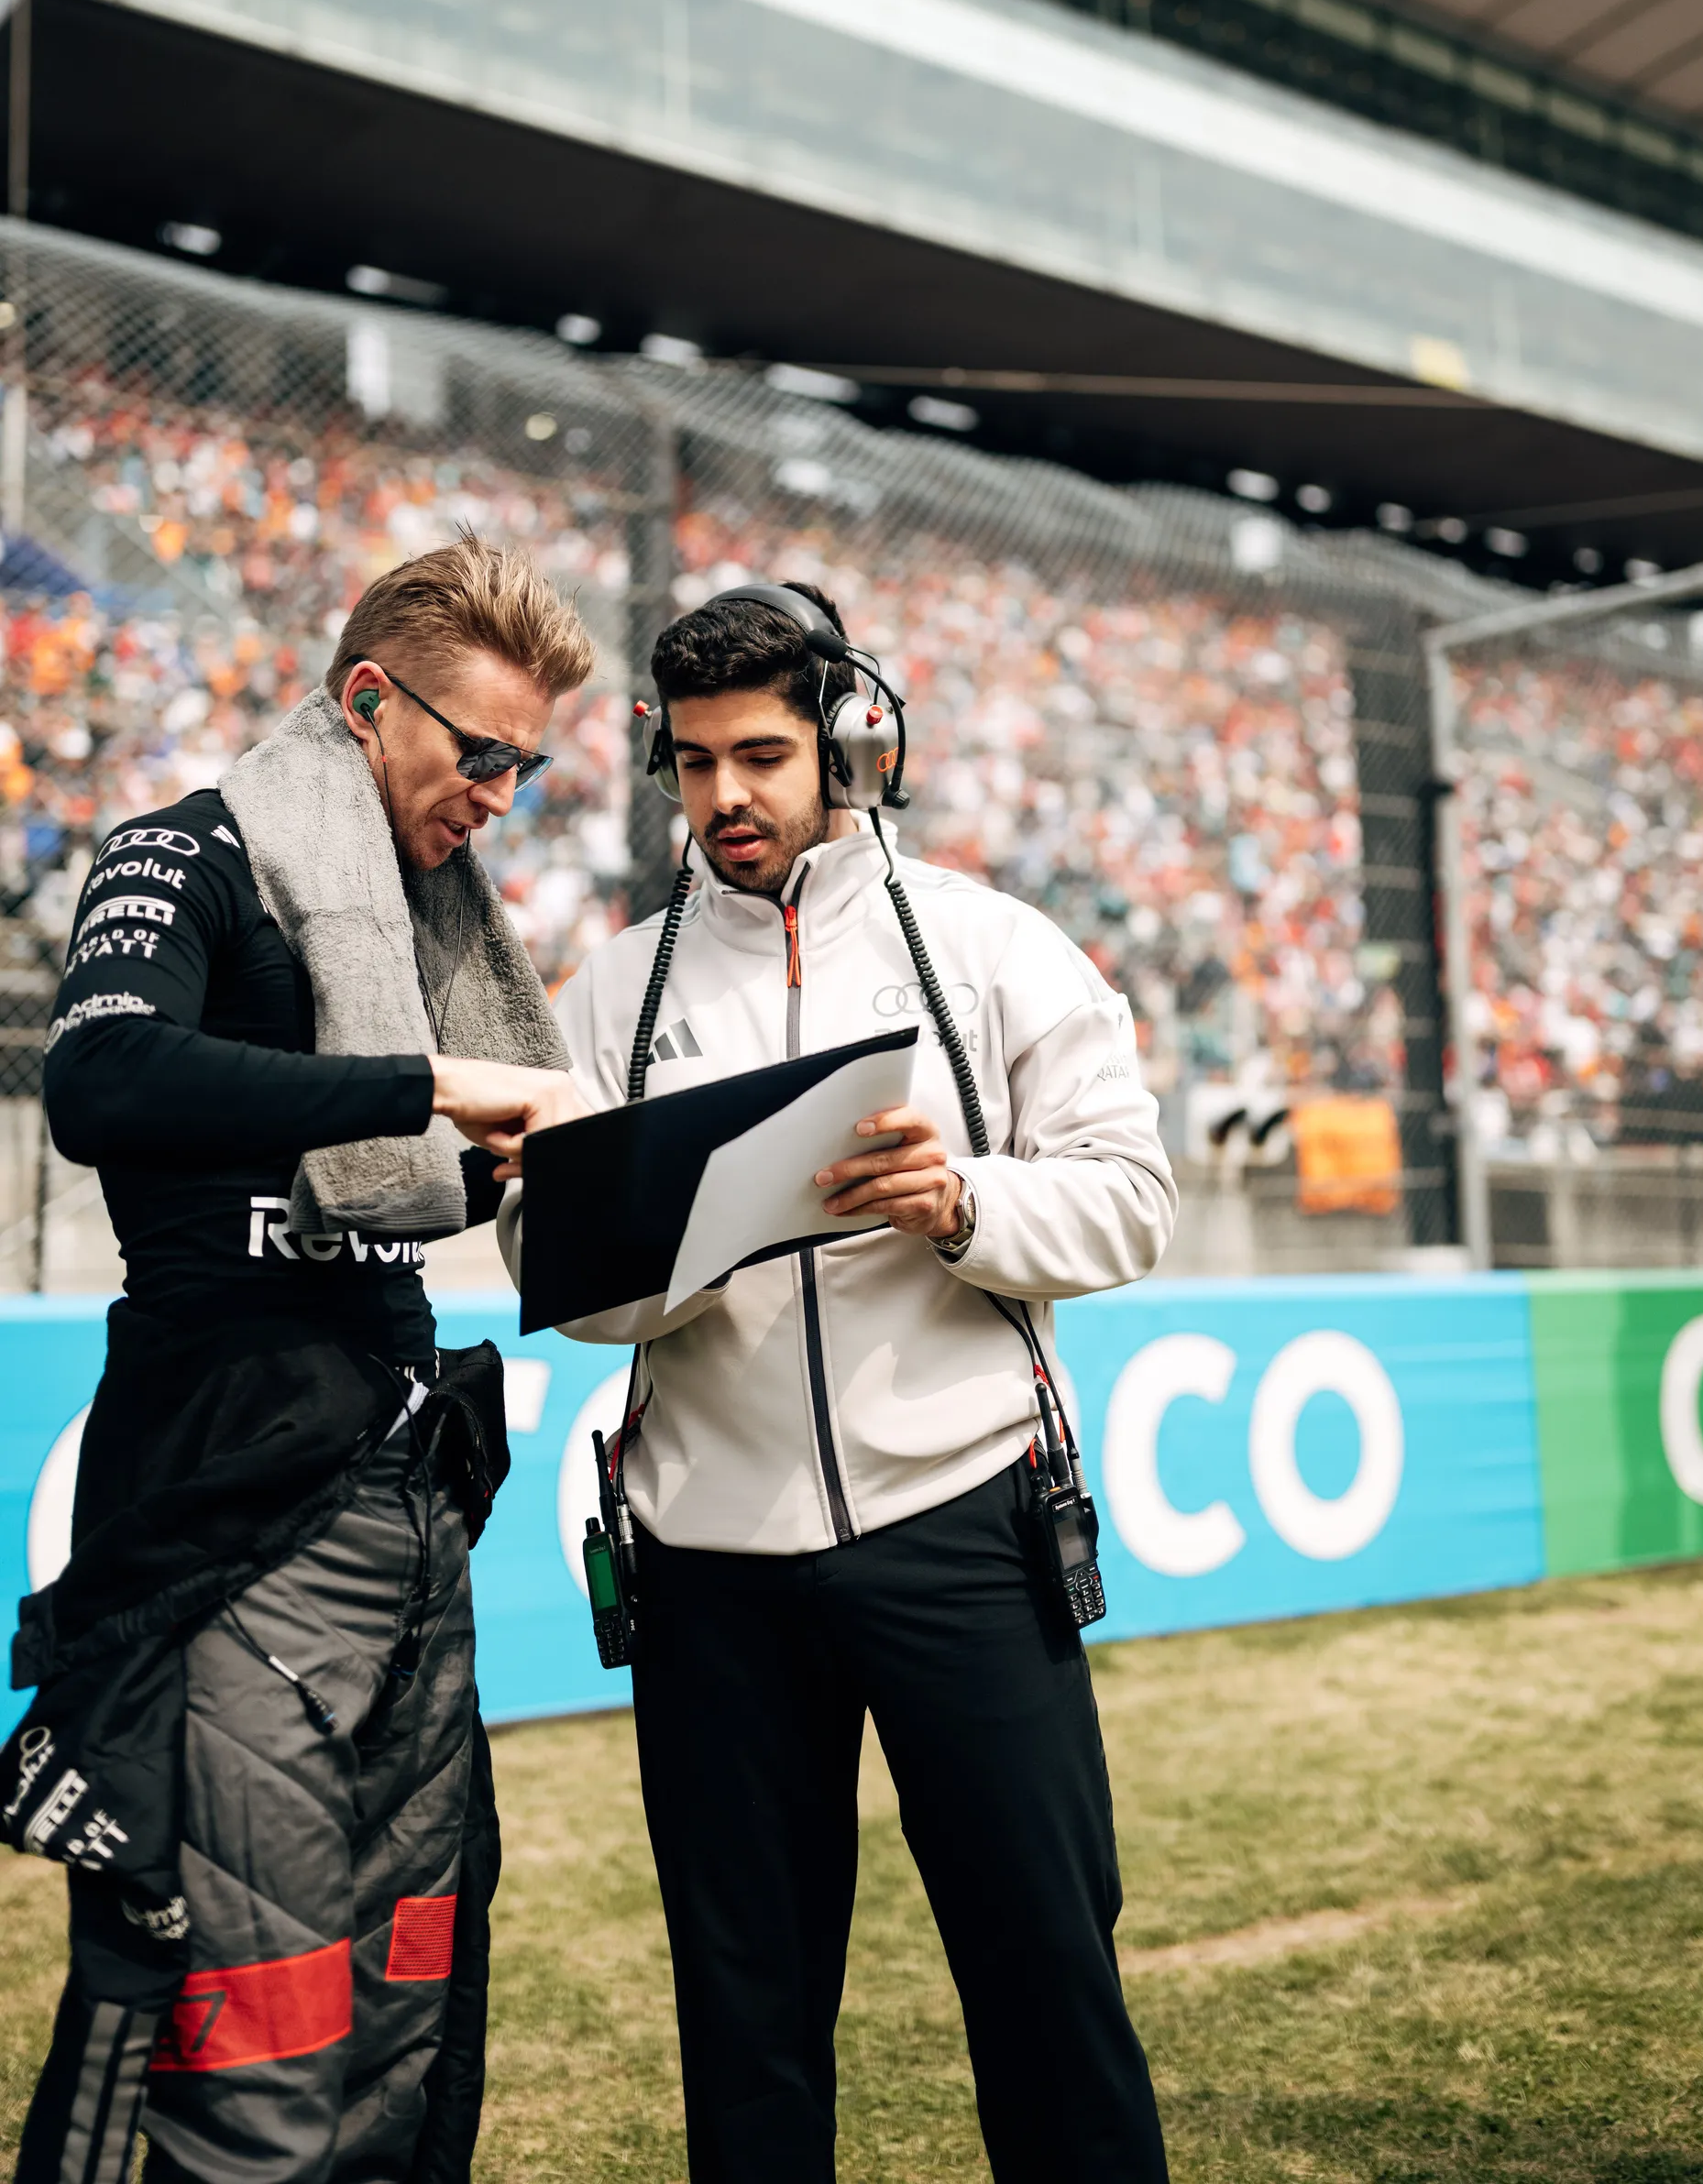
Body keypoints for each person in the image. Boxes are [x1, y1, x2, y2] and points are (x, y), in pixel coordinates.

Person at [501, 580, 1175, 2182]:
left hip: (962, 1524)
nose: (724, 796)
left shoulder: (995, 946)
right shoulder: (608, 994)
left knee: (1046, 1976)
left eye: (761, 755)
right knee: (745, 2024)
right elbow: (558, 1272)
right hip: (709, 1568)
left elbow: (1133, 1200)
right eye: (694, 762)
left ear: (847, 746)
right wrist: (664, 1247)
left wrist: (964, 1205)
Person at [10, 537, 594, 2184]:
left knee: (404, 2008)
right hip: (224, 1525)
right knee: (240, 2037)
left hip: (405, 1506)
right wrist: (417, 1087)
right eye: (477, 752)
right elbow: (102, 1087)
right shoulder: (182, 854)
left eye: (526, 768)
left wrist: (512, 1169)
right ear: (364, 700)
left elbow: (372, 1208)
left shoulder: (423, 919)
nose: (497, 795)